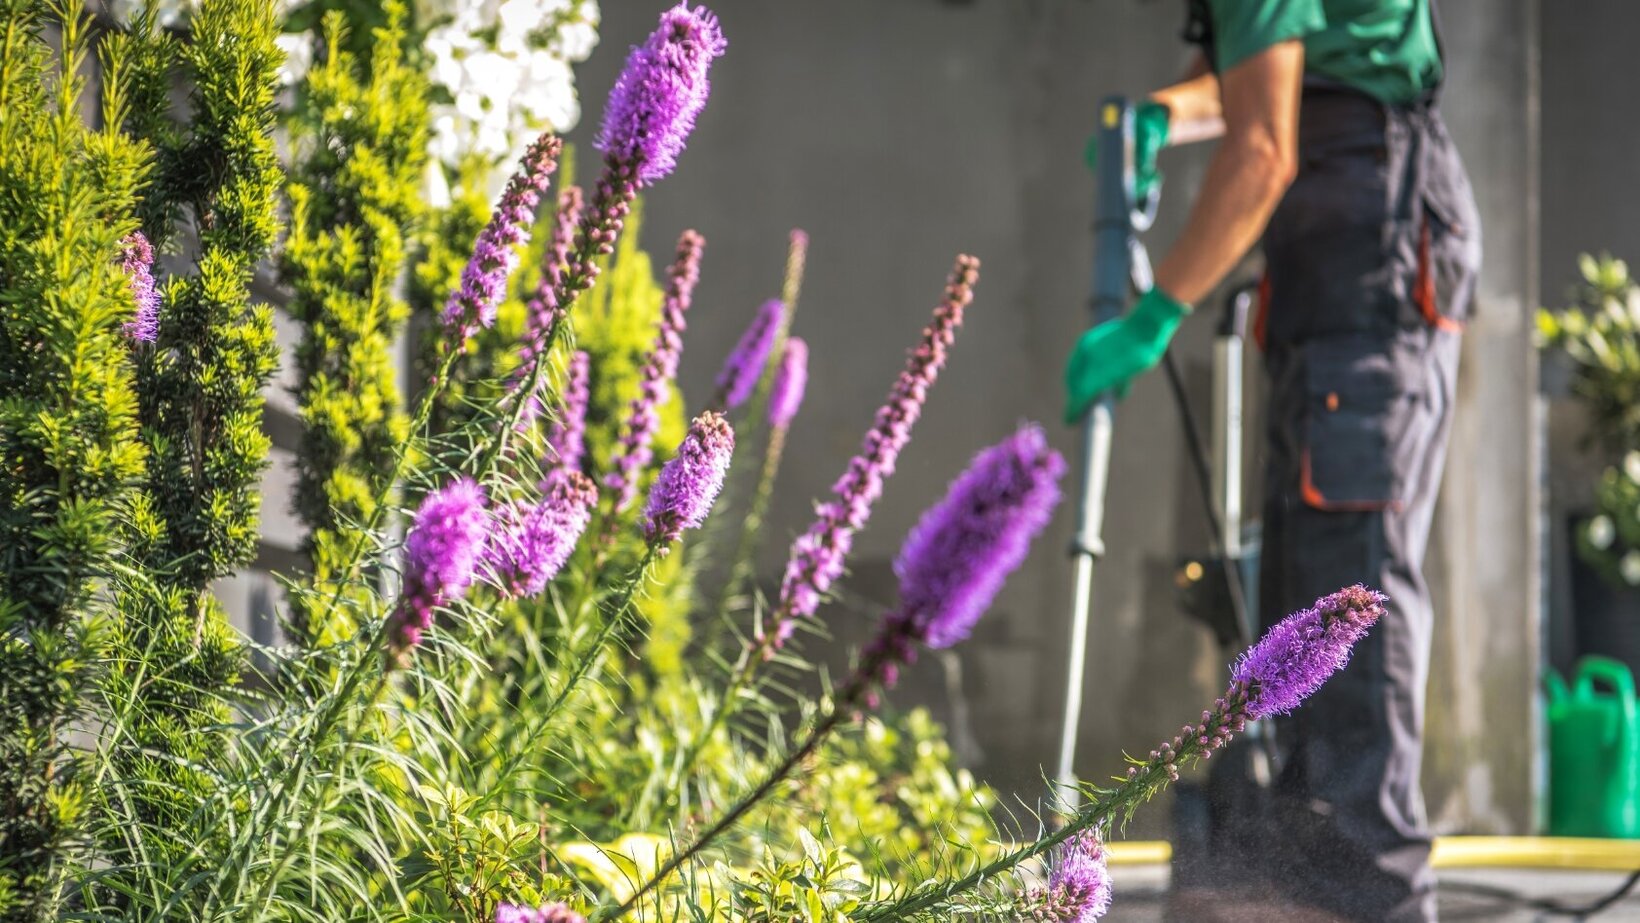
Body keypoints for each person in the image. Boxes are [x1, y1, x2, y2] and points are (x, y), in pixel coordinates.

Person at [1063, 2, 1481, 921]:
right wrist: (1170, 113)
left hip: (1371, 245)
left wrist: (1153, 313)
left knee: (1350, 586)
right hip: (1331, 261)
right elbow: (1280, 71)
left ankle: (1373, 888)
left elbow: (1263, 152)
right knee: (1299, 587)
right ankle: (1294, 874)